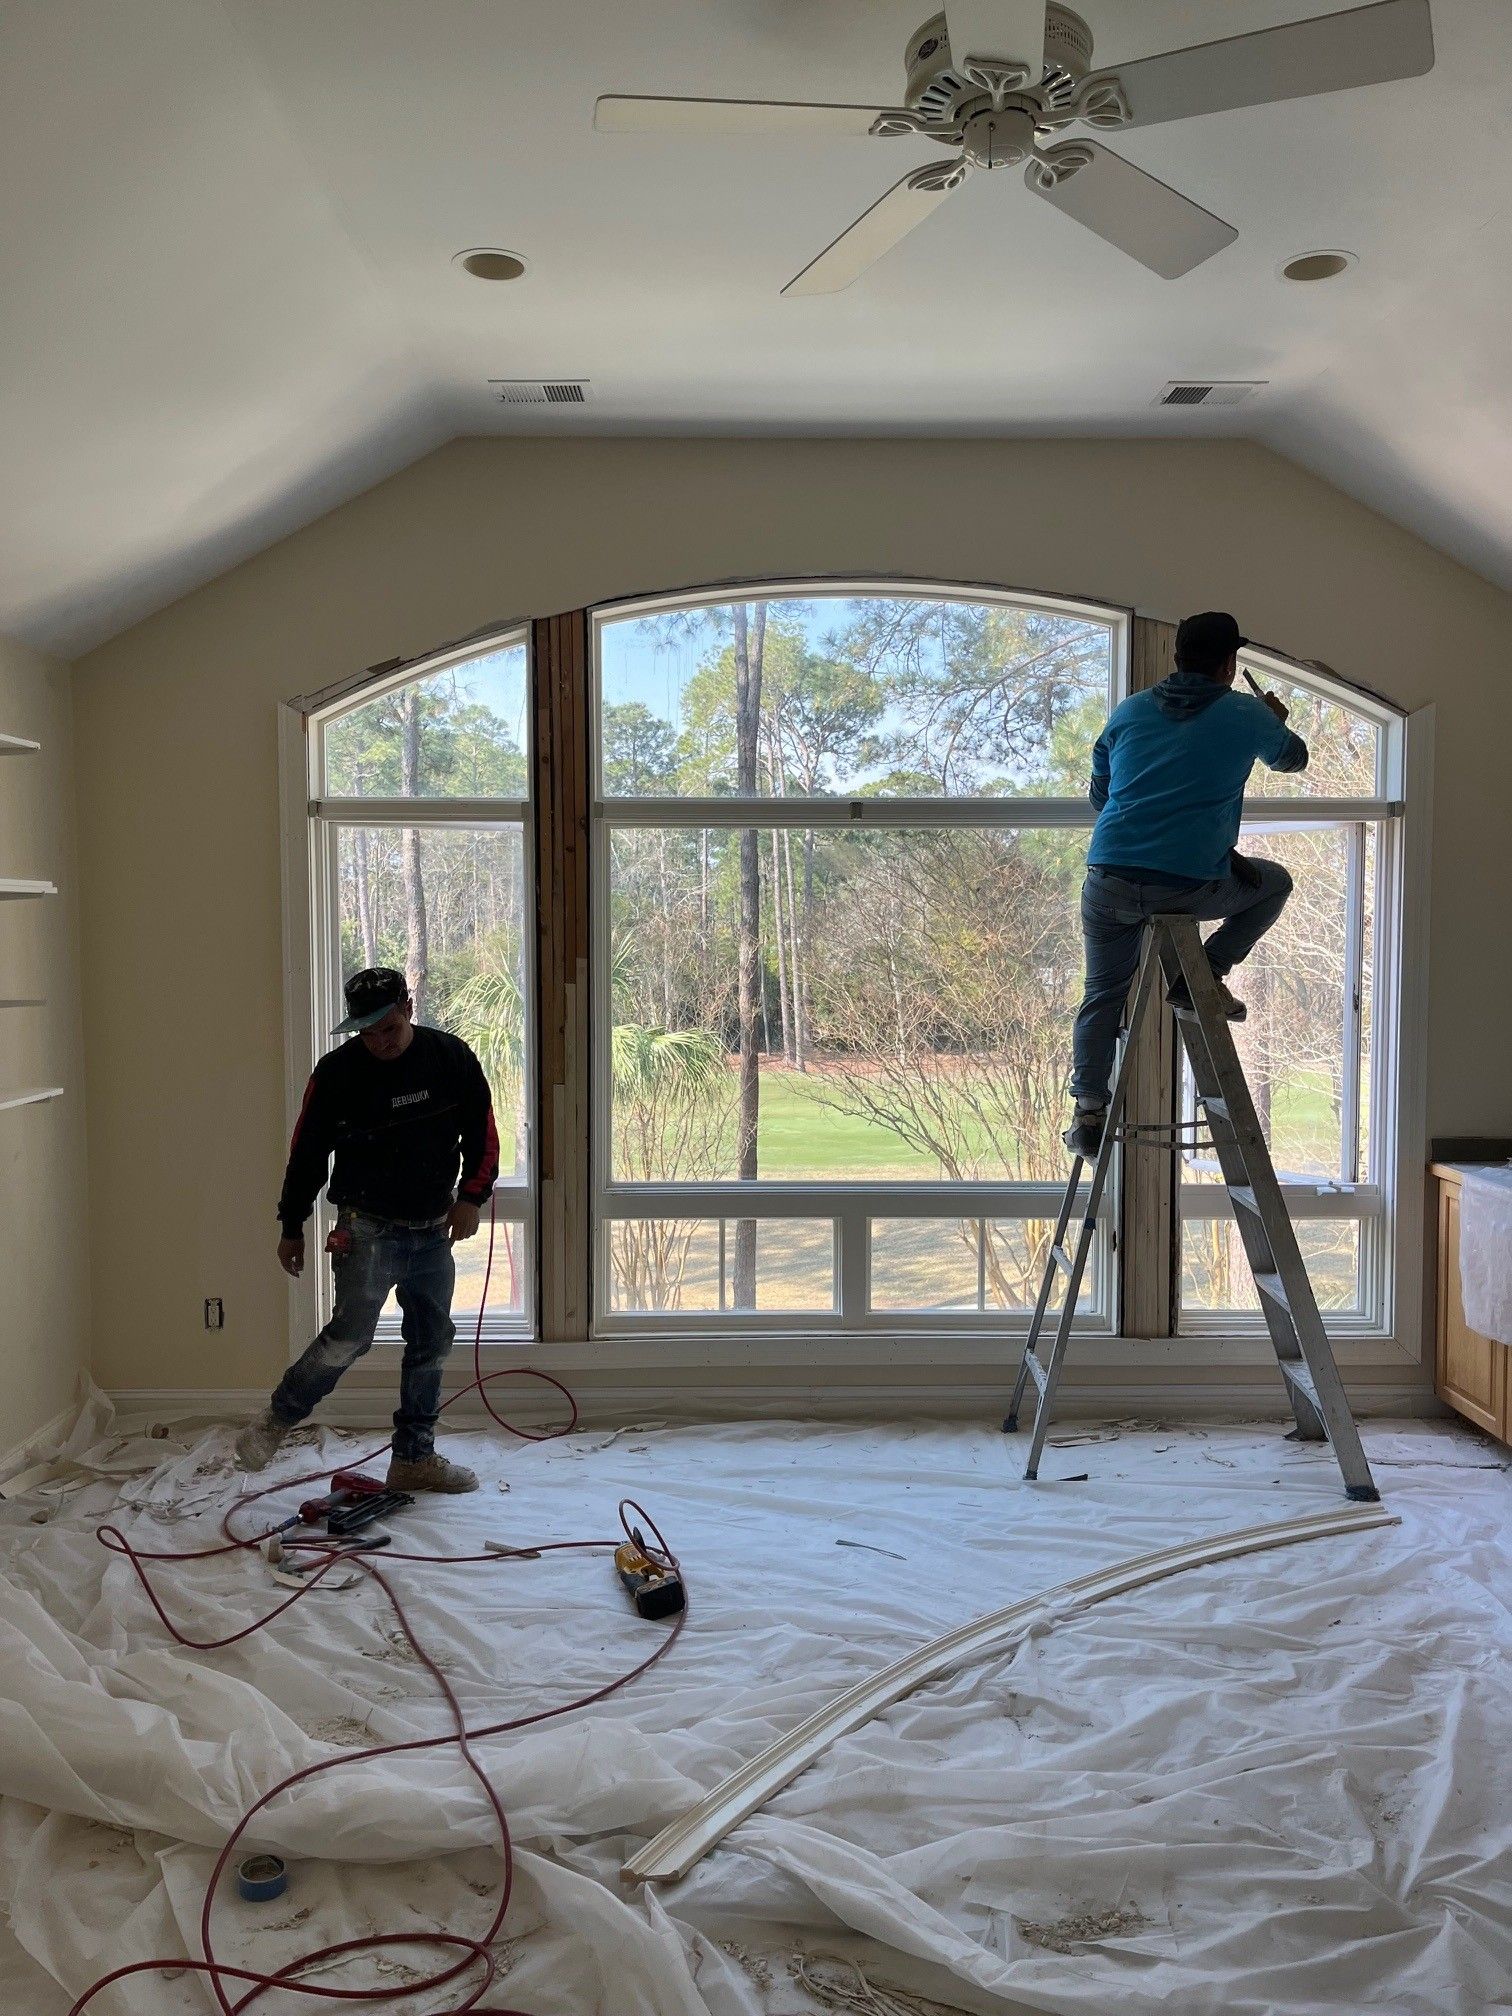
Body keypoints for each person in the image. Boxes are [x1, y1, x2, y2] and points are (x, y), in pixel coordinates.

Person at [234, 966, 500, 1489]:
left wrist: (471, 1198)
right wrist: (293, 1225)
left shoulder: (451, 1059)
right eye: (366, 1032)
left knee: (431, 1341)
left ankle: (413, 1459)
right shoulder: (336, 1075)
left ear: (409, 1010)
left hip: (431, 1231)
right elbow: (305, 1155)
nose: (378, 1042)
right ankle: (277, 1420)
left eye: (389, 1029)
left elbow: (484, 1138)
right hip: (366, 1228)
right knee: (349, 1337)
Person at [1065, 611, 1309, 1157]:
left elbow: (1100, 798)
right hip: (1187, 888)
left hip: (1109, 879)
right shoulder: (1245, 714)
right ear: (1229, 663)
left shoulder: (1128, 712)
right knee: (1275, 883)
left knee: (1102, 994)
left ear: (1177, 658)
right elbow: (1294, 759)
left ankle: (1087, 1111)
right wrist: (1274, 720)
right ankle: (1207, 973)